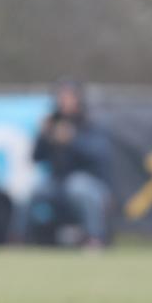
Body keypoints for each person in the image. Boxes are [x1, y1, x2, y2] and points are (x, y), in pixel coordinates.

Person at [25, 80, 113, 247]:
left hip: (93, 184)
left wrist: (72, 140)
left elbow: (99, 155)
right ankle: (20, 240)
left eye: (68, 97)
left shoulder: (91, 122)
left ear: (78, 99)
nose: (63, 101)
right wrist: (44, 136)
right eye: (60, 97)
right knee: (33, 191)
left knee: (77, 185)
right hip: (59, 183)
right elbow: (36, 157)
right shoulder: (54, 122)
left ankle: (95, 239)